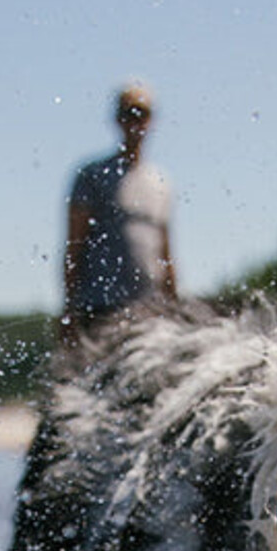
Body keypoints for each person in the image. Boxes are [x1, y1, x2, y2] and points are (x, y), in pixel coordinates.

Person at [57, 81, 178, 366]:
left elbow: (166, 253)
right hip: (100, 307)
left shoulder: (160, 182)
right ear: (117, 119)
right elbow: (74, 245)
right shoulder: (92, 175)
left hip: (149, 310)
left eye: (142, 114)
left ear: (152, 121)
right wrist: (68, 310)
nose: (135, 121)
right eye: (129, 113)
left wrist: (175, 308)